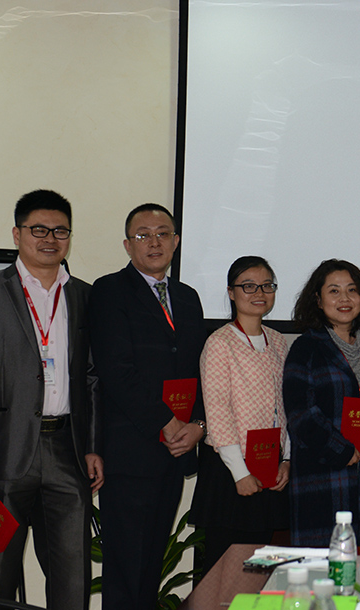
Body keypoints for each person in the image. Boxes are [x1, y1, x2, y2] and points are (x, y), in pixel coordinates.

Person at [0, 189, 102, 609]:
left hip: (67, 452)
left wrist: (92, 446)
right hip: (1, 457)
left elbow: (92, 377)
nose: (50, 239)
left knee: (72, 578)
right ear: (17, 234)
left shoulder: (84, 295)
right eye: (39, 229)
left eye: (60, 231)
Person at [87, 203, 207, 610]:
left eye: (162, 233)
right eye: (143, 235)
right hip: (131, 453)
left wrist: (197, 425)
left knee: (151, 566)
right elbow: (115, 370)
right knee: (125, 570)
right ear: (127, 245)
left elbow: (198, 370)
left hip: (174, 453)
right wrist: (166, 422)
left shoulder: (188, 298)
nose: (154, 242)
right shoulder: (109, 291)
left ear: (175, 241)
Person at [192, 256, 290, 568]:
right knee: (224, 571)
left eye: (267, 285)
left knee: (258, 568)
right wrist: (240, 472)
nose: (259, 293)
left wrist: (286, 460)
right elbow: (217, 411)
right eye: (248, 286)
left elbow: (285, 406)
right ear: (231, 292)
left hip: (269, 466)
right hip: (230, 470)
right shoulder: (220, 342)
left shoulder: (278, 341)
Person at [283, 259, 360, 546]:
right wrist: (342, 451)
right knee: (322, 565)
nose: (345, 298)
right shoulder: (306, 348)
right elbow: (301, 414)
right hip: (322, 478)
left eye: (352, 290)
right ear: (318, 301)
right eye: (334, 291)